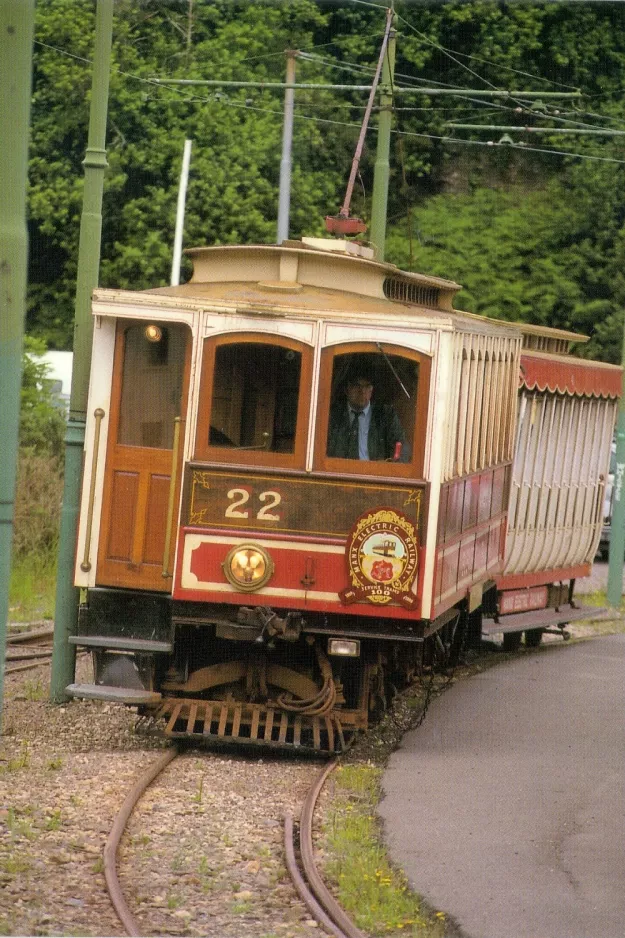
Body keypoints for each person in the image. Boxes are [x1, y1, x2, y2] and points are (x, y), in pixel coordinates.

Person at [327, 372, 408, 461]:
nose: (362, 391)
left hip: (374, 472)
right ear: (347, 389)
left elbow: (401, 447)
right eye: (357, 385)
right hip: (338, 471)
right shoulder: (333, 414)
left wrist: (392, 464)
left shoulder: (386, 415)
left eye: (367, 386)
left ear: (371, 390)